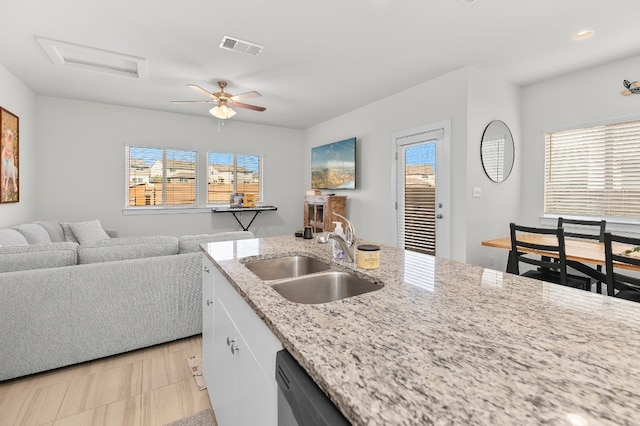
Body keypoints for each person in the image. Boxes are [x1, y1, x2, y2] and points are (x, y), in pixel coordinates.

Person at [1, 128, 18, 196]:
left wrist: (7, 181)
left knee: (12, 168)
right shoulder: (5, 148)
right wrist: (4, 181)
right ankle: (3, 180)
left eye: (9, 151)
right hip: (5, 165)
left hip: (10, 168)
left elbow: (10, 168)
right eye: (7, 150)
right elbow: (2, 159)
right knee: (3, 163)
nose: (8, 152)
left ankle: (14, 184)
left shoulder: (11, 156)